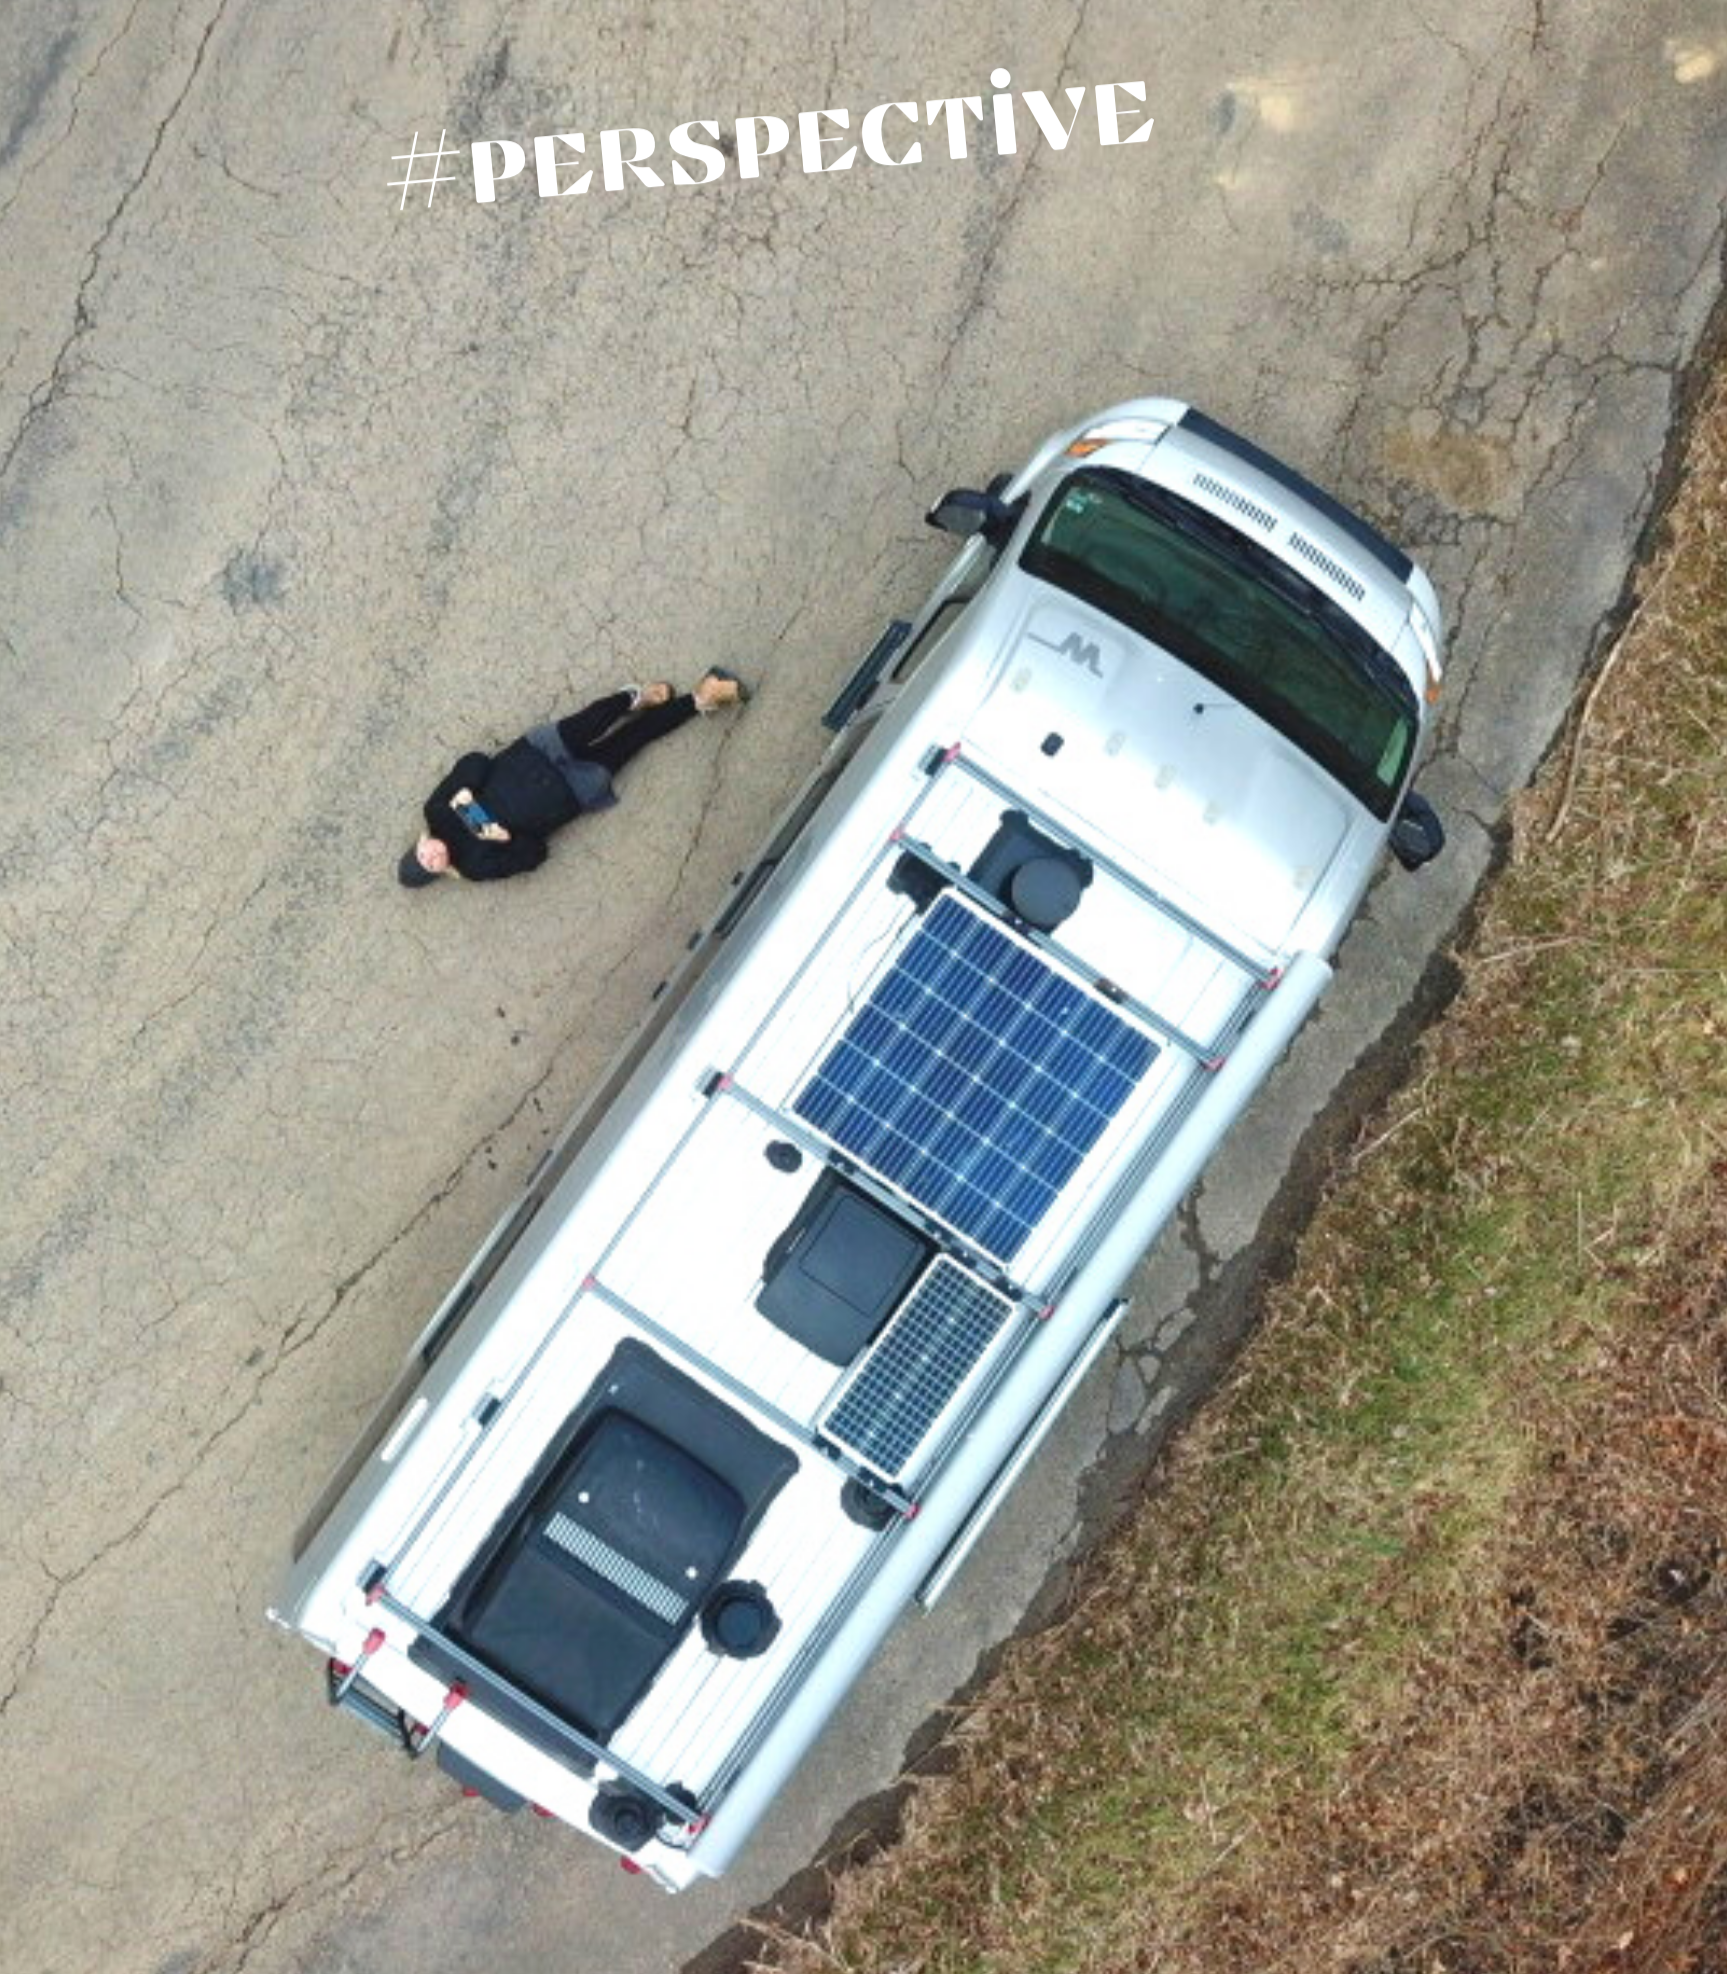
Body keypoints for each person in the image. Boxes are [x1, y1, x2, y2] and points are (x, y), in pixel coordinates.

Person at [397, 670, 747, 886]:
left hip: (534, 754)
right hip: (570, 792)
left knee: (596, 716)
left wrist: (466, 794)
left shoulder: (437, 810)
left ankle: (633, 697)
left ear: (420, 842)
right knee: (634, 739)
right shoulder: (474, 866)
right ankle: (701, 699)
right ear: (439, 873)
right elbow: (534, 855)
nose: (432, 858)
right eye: (429, 867)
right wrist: (506, 839)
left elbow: (475, 761)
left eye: (422, 854)